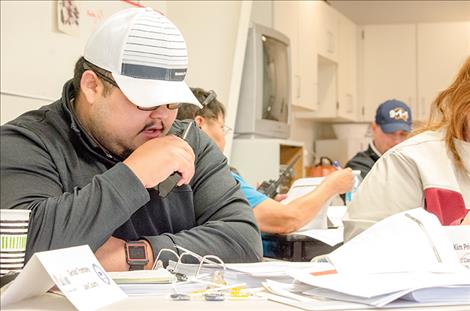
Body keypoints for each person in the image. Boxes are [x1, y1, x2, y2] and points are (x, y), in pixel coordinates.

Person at [0, 8, 263, 271]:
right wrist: (134, 175)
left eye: (171, 101)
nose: (161, 116)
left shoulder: (188, 142)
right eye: (145, 100)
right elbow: (21, 249)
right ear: (92, 86)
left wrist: (137, 255)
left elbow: (244, 242)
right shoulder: (28, 142)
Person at [177, 88, 354, 235]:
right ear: (199, 124)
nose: (224, 136)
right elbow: (289, 219)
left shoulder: (173, 171)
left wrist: (263, 203)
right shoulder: (216, 178)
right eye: (222, 127)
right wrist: (331, 186)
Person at [343, 57, 470, 241]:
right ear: (465, 103)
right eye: (391, 132)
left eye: (402, 132)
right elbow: (362, 246)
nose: (395, 138)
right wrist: (460, 237)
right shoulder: (409, 161)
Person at [345, 99, 412, 179]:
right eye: (390, 132)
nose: (397, 141)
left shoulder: (409, 163)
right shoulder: (358, 167)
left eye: (403, 134)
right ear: (374, 128)